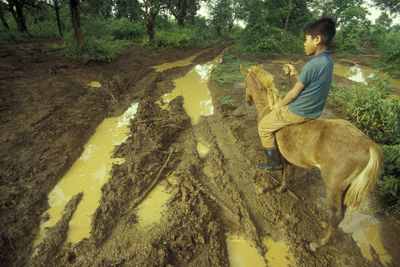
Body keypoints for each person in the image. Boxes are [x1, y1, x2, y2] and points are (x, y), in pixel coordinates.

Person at [258, 17, 336, 170]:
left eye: (306, 39)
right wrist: (295, 74)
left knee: (264, 126)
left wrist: (278, 105)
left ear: (317, 39)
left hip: (299, 111)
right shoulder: (328, 61)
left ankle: (274, 163)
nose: (304, 43)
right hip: (315, 111)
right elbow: (311, 82)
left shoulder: (311, 64)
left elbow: (293, 94)